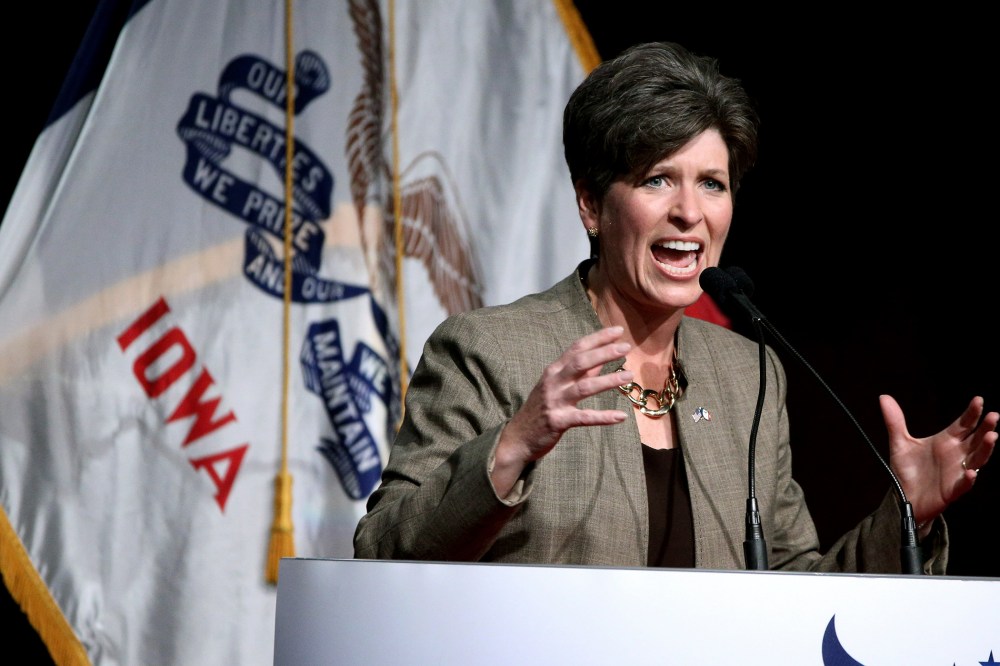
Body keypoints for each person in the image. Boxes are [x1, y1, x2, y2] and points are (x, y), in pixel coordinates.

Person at [353, 41, 996, 572]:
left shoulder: (749, 376)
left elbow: (792, 592)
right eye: (657, 179)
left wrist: (907, 512)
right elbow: (382, 549)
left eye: (711, 184)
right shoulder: (488, 351)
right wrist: (513, 445)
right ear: (591, 205)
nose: (690, 212)